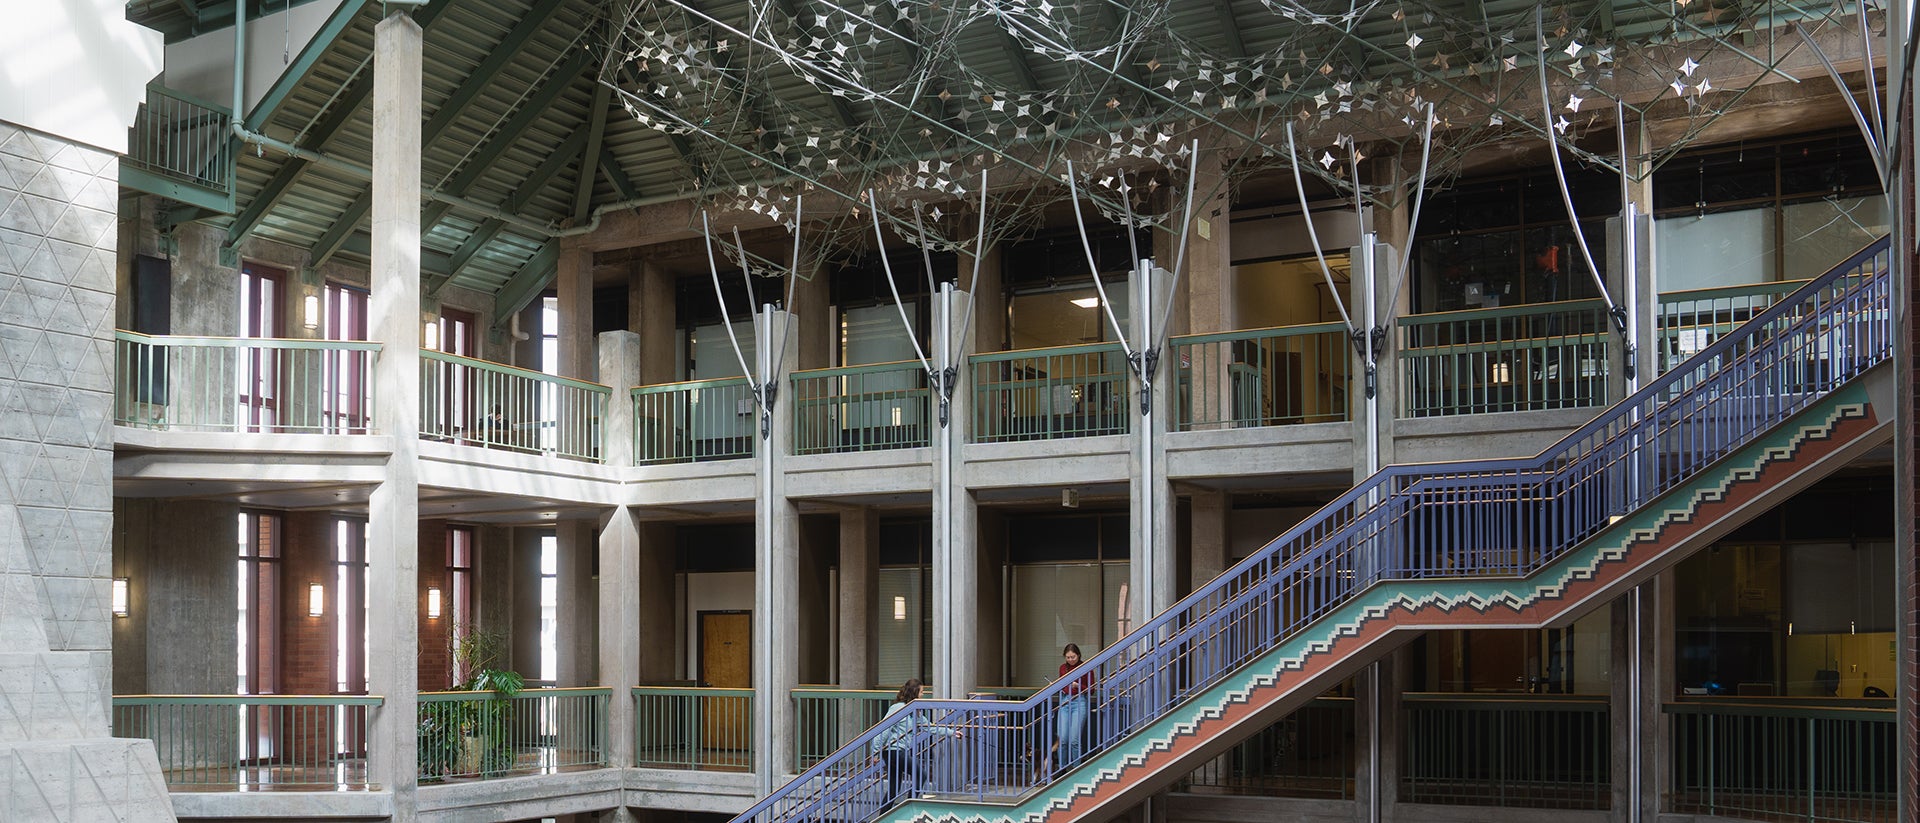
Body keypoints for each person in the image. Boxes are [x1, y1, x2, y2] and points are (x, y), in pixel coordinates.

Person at [869, 678, 959, 802]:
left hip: (899, 751)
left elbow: (930, 727)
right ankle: (909, 805)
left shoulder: (915, 711)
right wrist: (875, 751)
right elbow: (884, 729)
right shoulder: (898, 708)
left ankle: (883, 815)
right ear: (914, 692)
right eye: (921, 692)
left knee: (894, 788)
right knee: (921, 775)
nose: (923, 695)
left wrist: (951, 732)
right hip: (894, 751)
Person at [1053, 643, 1094, 771]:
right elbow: (1062, 684)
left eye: (1073, 657)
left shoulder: (1086, 667)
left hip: (1080, 701)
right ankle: (1062, 769)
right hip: (1065, 701)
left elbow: (1092, 689)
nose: (1071, 660)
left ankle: (1076, 769)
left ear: (1079, 655)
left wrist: (1079, 686)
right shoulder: (1062, 668)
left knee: (1074, 740)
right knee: (1063, 739)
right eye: (1068, 657)